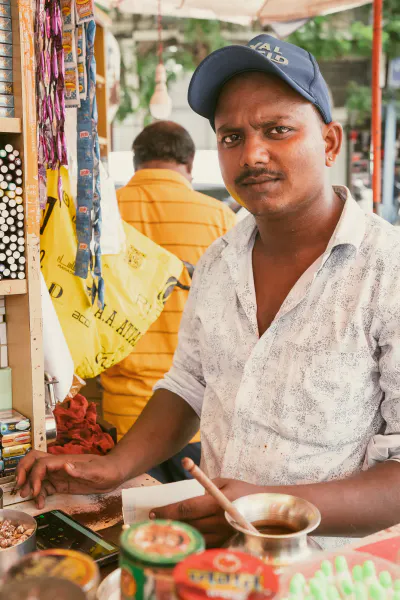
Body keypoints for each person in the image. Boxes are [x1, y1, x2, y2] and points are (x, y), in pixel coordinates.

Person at [17, 35, 400, 548]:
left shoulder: (386, 269)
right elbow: (189, 385)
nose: (253, 154)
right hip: (217, 564)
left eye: (278, 130)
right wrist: (114, 467)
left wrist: (261, 511)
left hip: (330, 574)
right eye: (231, 137)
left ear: (329, 142)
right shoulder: (220, 260)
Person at [101, 121, 236, 483]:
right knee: (195, 533)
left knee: (129, 532)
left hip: (120, 418)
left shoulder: (101, 214)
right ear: (189, 165)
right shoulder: (220, 219)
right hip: (193, 420)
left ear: (135, 163)